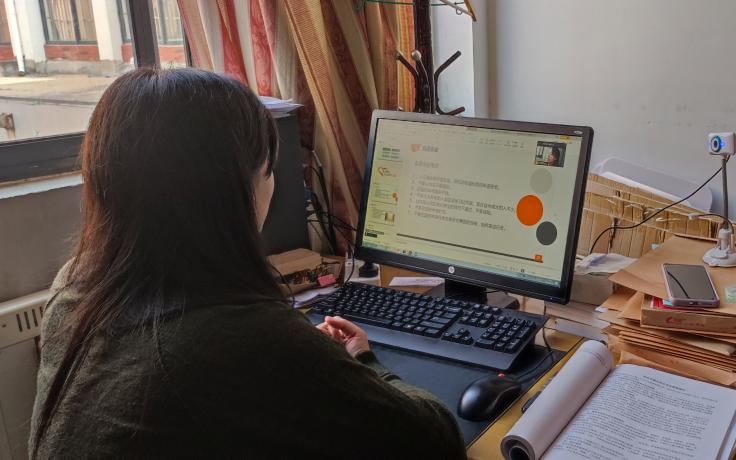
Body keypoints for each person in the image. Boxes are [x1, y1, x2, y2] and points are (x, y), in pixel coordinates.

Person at [30, 68, 465, 458]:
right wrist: (360, 359)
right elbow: (434, 440)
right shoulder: (244, 336)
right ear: (234, 191)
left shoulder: (74, 288)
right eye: (269, 170)